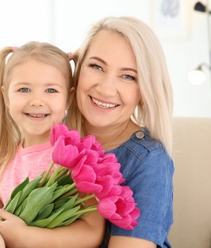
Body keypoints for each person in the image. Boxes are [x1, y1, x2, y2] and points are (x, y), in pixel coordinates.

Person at [0, 41, 105, 247]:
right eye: (24, 89)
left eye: (51, 90)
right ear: (6, 97)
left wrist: (27, 236)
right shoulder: (4, 160)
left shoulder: (76, 157)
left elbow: (92, 232)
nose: (36, 100)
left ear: (68, 98)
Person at [65, 16, 175, 247]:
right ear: (78, 68)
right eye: (96, 66)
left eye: (128, 76)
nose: (106, 88)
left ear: (145, 92)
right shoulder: (51, 137)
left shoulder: (149, 160)